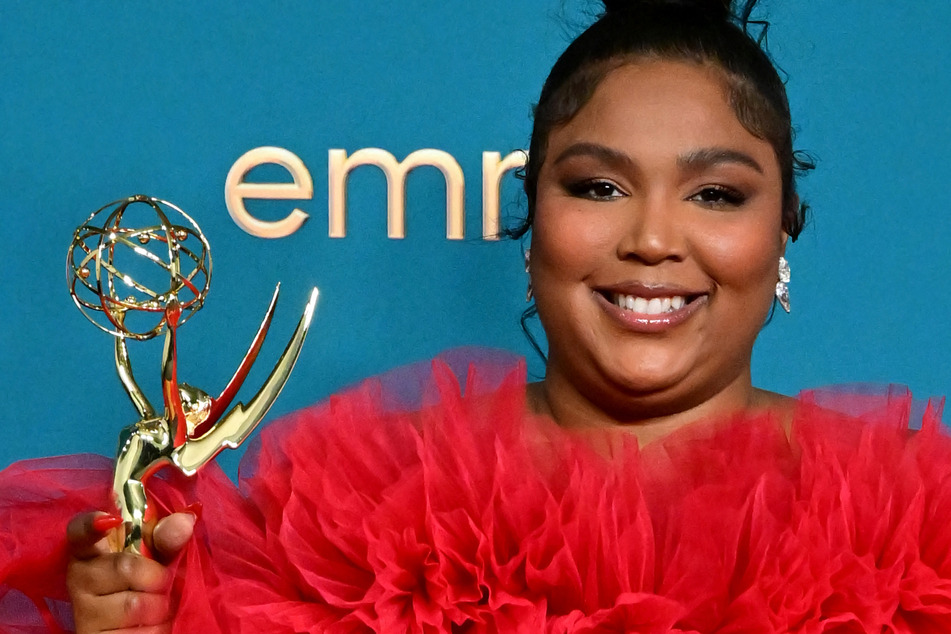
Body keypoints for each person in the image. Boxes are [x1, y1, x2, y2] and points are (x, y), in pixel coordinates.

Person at [4, 0, 951, 631]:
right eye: (599, 185)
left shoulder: (919, 530)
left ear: (781, 229)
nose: (653, 238)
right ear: (530, 219)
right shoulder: (356, 524)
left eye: (714, 195)